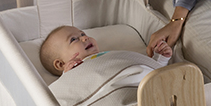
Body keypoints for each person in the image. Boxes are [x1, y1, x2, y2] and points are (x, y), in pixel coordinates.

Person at [41, 25, 171, 76]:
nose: (85, 38)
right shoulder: (75, 73)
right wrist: (68, 74)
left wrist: (159, 58)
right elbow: (70, 92)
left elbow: (144, 66)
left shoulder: (109, 55)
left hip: (141, 79)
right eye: (74, 39)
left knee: (157, 74)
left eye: (83, 34)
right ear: (61, 64)